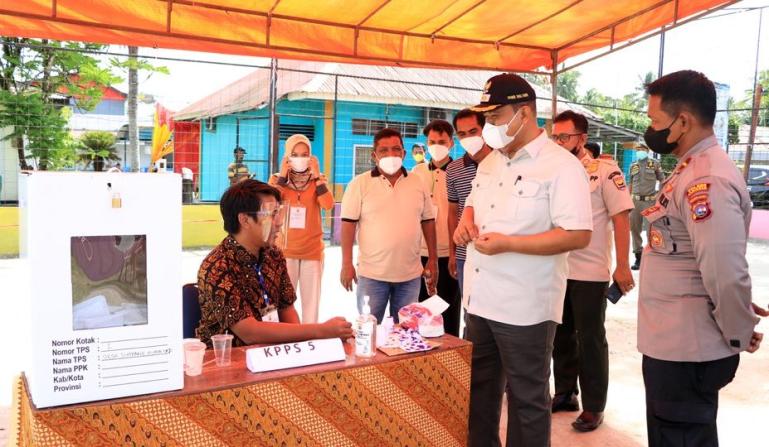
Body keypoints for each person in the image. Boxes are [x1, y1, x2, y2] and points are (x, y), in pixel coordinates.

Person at [454, 74, 593, 447]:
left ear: (525, 112)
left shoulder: (561, 166)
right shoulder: (490, 164)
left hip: (526, 306)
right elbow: (471, 204)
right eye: (487, 118)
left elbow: (578, 234)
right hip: (480, 299)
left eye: (496, 116)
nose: (489, 127)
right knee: (478, 392)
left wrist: (509, 244)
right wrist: (466, 222)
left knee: (527, 399)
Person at [638, 70, 763, 447]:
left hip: (686, 351)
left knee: (681, 438)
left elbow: (724, 272)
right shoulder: (690, 167)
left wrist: (738, 329)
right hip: (672, 342)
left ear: (683, 122)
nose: (651, 128)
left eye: (655, 121)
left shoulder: (706, 180)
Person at [550, 110, 635, 432]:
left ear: (582, 139)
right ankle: (565, 392)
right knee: (560, 333)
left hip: (590, 272)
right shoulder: (552, 172)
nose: (558, 143)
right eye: (555, 137)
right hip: (557, 267)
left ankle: (594, 406)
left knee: (590, 339)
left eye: (565, 137)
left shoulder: (604, 172)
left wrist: (623, 265)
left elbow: (622, 218)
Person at [196, 179, 353, 347]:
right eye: (271, 214)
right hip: (227, 361)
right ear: (245, 220)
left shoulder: (274, 255)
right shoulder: (217, 267)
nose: (279, 222)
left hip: (273, 352)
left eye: (279, 212)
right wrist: (320, 331)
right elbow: (250, 333)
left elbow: (287, 310)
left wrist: (300, 348)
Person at [340, 128, 438, 322]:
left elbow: (428, 221)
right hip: (371, 276)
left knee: (405, 331)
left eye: (396, 149)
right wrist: (346, 264)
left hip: (410, 276)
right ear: (374, 155)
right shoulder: (359, 184)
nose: (391, 155)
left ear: (403, 153)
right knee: (369, 331)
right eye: (384, 150)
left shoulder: (418, 183)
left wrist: (433, 259)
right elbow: (348, 226)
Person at [268, 134, 333, 324]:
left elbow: (328, 204)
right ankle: (285, 340)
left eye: (305, 154)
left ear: (312, 157)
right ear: (287, 156)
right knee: (283, 305)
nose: (300, 158)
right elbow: (271, 205)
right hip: (283, 252)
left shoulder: (318, 181)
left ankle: (308, 343)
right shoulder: (276, 180)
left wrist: (317, 176)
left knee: (311, 306)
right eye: (294, 154)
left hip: (311, 252)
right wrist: (282, 176)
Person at [412, 120, 461, 336]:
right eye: (432, 141)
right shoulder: (416, 172)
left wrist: (454, 252)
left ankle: (452, 360)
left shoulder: (460, 171)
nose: (436, 145)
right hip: (421, 254)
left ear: (451, 143)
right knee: (422, 313)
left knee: (448, 314)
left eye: (442, 141)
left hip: (450, 254)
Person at [446, 109, 493, 295]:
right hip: (464, 254)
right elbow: (452, 214)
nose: (468, 138)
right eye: (462, 134)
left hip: (496, 250)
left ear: (484, 130)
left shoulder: (504, 162)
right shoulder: (453, 169)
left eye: (473, 131)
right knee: (470, 310)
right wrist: (452, 252)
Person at [628, 143, 664, 270]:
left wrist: (659, 197)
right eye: (637, 150)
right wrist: (627, 201)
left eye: (641, 149)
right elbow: (631, 183)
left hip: (650, 201)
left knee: (652, 230)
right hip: (635, 202)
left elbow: (662, 180)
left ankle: (653, 255)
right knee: (635, 230)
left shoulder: (654, 164)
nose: (639, 152)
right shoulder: (633, 165)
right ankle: (638, 257)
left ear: (647, 151)